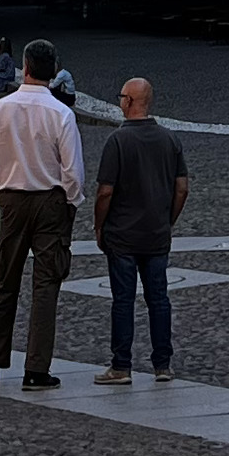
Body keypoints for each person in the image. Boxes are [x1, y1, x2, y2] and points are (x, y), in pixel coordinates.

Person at [0, 40, 81, 391]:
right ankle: (36, 369)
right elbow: (73, 171)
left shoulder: (2, 108)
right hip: (50, 200)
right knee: (46, 286)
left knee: (4, 282)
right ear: (53, 71)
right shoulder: (61, 113)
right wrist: (69, 203)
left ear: (26, 68)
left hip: (13, 199)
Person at [90, 78, 190, 385]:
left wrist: (99, 225)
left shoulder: (118, 142)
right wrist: (167, 219)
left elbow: (105, 192)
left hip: (122, 234)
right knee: (159, 299)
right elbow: (182, 188)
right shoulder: (169, 139)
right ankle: (163, 364)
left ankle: (121, 365)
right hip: (156, 232)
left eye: (121, 96)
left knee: (123, 300)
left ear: (129, 102)